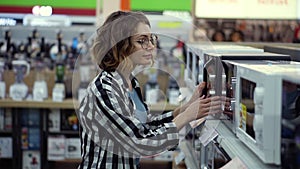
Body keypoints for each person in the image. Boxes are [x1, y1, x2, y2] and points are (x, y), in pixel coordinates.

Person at [77, 10, 224, 169]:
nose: (151, 46)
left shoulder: (131, 82)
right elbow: (140, 142)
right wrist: (187, 116)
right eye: (142, 41)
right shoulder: (105, 88)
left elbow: (144, 127)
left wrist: (186, 108)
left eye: (151, 39)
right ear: (121, 45)